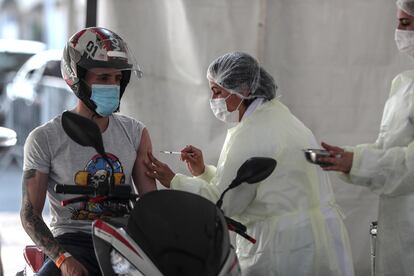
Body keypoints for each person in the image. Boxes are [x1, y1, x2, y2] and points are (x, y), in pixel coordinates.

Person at [145, 52, 354, 275]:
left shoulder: (250, 133)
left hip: (285, 249)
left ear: (243, 90)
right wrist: (204, 173)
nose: (213, 100)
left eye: (217, 91)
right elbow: (246, 183)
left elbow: (224, 203)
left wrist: (174, 181)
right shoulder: (284, 118)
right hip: (321, 240)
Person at [20, 27, 156, 276]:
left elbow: (151, 205)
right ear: (77, 78)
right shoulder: (44, 138)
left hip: (123, 240)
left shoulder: (136, 133)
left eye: (118, 79)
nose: (113, 86)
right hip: (72, 241)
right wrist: (62, 259)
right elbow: (29, 214)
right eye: (103, 78)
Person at [319, 1, 414, 275]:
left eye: (406, 23)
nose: (398, 31)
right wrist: (349, 159)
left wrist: (358, 161)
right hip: (398, 219)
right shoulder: (404, 83)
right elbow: (389, 148)